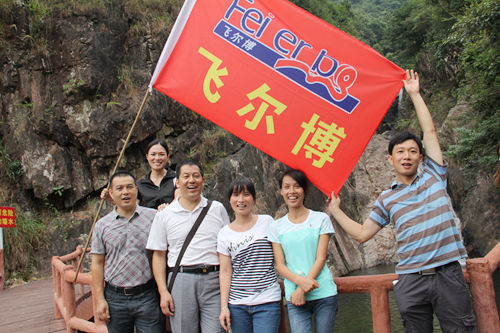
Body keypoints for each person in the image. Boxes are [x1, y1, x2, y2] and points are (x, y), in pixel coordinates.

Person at [328, 70, 476, 333]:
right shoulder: (387, 198)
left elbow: (429, 131)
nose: (406, 156)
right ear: (390, 159)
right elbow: (363, 234)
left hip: (447, 273)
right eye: (400, 152)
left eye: (412, 151)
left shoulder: (433, 175)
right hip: (411, 279)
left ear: (421, 157)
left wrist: (414, 94)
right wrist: (336, 211)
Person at [146, 160, 230, 333]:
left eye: (196, 176)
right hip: (181, 280)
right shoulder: (165, 215)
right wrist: (163, 291)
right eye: (186, 176)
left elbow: (227, 249)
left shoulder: (217, 209)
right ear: (177, 182)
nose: (191, 180)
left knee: (216, 330)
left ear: (203, 180)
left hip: (213, 280)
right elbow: (159, 255)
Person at [91, 170, 163, 333]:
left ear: (136, 189)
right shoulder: (102, 225)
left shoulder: (154, 218)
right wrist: (100, 299)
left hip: (147, 295)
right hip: (115, 298)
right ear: (111, 193)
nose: (125, 192)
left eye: (129, 187)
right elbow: (97, 263)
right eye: (119, 188)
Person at [269, 169, 338, 333]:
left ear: (304, 190)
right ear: (281, 191)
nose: (292, 191)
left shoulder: (321, 219)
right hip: (295, 298)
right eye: (287, 187)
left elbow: (321, 258)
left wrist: (302, 288)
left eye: (297, 186)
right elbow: (280, 265)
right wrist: (299, 285)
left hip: (323, 292)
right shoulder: (275, 227)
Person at [217, 177, 282, 333]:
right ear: (230, 200)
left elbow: (280, 257)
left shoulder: (267, 222)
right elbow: (225, 271)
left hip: (267, 300)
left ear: (253, 198)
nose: (241, 200)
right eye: (236, 195)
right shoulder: (224, 234)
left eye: (246, 194)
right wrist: (224, 307)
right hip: (237, 304)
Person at [101, 138, 177, 210]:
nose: (157, 158)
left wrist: (168, 208)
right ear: (147, 157)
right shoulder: (140, 184)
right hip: (149, 222)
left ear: (168, 157)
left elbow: (182, 200)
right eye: (153, 154)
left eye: (161, 154)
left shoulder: (176, 178)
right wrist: (111, 200)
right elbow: (132, 208)